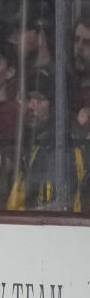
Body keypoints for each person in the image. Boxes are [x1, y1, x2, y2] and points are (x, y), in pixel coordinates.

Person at [7, 70, 88, 211]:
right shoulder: (30, 141)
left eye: (40, 99)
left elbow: (56, 207)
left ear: (57, 105)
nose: (31, 106)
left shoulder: (65, 149)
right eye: (26, 98)